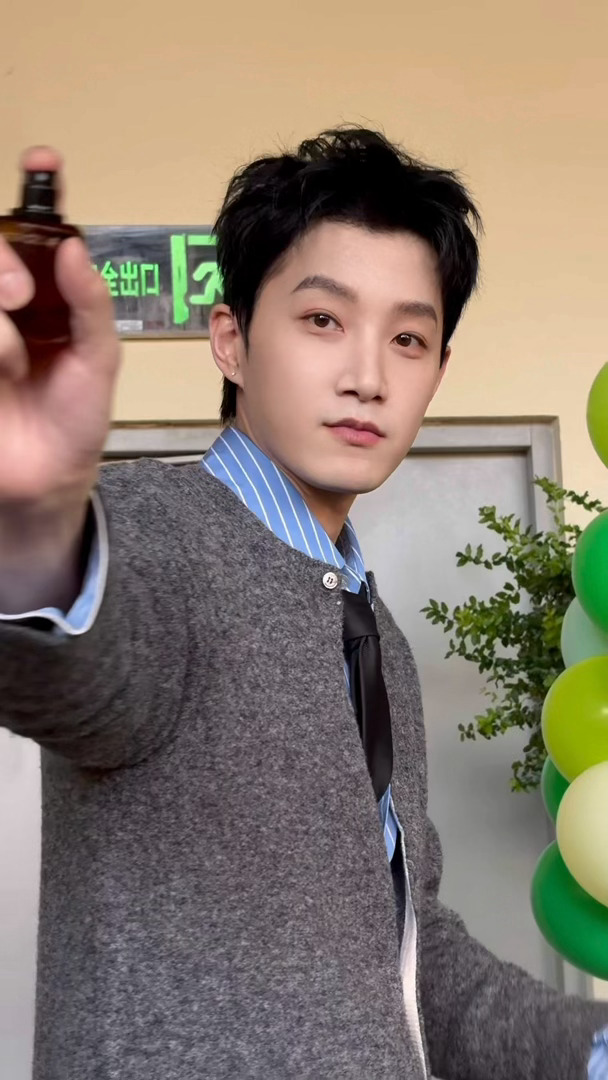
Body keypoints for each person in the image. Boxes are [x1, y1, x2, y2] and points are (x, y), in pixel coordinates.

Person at [0, 129, 606, 1080]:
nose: (369, 374)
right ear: (231, 340)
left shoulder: (376, 635)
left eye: (408, 338)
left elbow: (409, 960)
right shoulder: (149, 533)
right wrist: (34, 523)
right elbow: (82, 676)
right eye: (324, 319)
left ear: (438, 372)